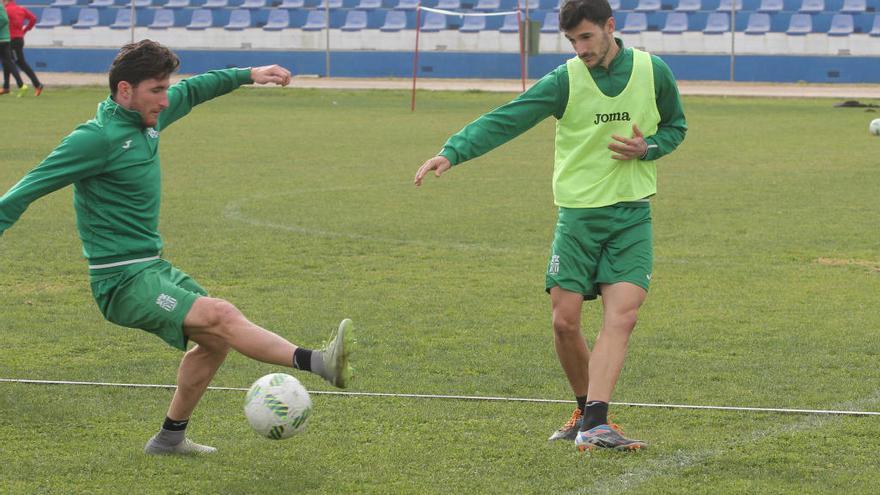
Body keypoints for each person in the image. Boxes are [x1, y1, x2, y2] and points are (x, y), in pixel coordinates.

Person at [0, 40, 355, 455]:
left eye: (166, 88)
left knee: (217, 340)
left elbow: (195, 89)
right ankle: (319, 362)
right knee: (220, 314)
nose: (166, 100)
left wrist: (248, 74)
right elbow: (25, 191)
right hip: (120, 280)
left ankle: (169, 438)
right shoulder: (94, 139)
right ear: (125, 90)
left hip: (152, 267)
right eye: (157, 90)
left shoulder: (146, 121)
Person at [414, 0, 686, 452]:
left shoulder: (653, 71)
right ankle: (585, 412)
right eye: (571, 41)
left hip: (631, 213)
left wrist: (649, 148)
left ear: (609, 27)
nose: (580, 49)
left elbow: (676, 127)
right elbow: (510, 117)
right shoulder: (565, 79)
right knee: (565, 321)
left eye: (586, 37)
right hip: (577, 216)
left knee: (623, 316)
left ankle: (598, 422)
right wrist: (453, 151)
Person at [2, 0, 42, 96]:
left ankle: (37, 84)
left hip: (12, 40)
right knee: (6, 61)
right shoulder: (21, 9)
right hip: (19, 38)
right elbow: (33, 18)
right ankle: (6, 87)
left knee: (20, 63)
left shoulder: (6, 10)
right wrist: (25, 29)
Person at [0, 0, 25, 96]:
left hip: (2, 39)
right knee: (8, 62)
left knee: (8, 62)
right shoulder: (2, 6)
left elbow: (4, 19)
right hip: (5, 39)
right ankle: (20, 84)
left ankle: (18, 85)